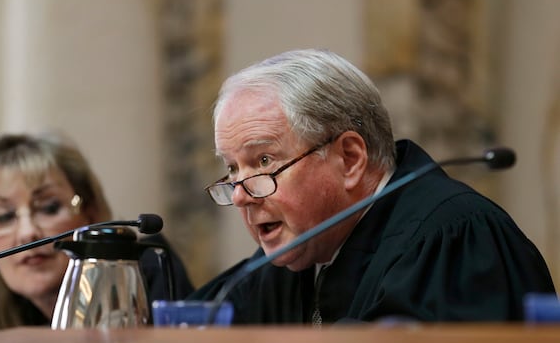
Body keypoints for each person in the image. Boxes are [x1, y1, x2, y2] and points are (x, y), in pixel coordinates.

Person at [190, 48, 555, 325]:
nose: (240, 194)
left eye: (264, 162)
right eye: (233, 169)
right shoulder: (299, 250)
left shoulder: (454, 239)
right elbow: (184, 325)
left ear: (349, 158)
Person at [0, 132, 193, 332]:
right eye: (3, 216)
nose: (28, 233)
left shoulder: (148, 275)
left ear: (91, 214)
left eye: (49, 207)